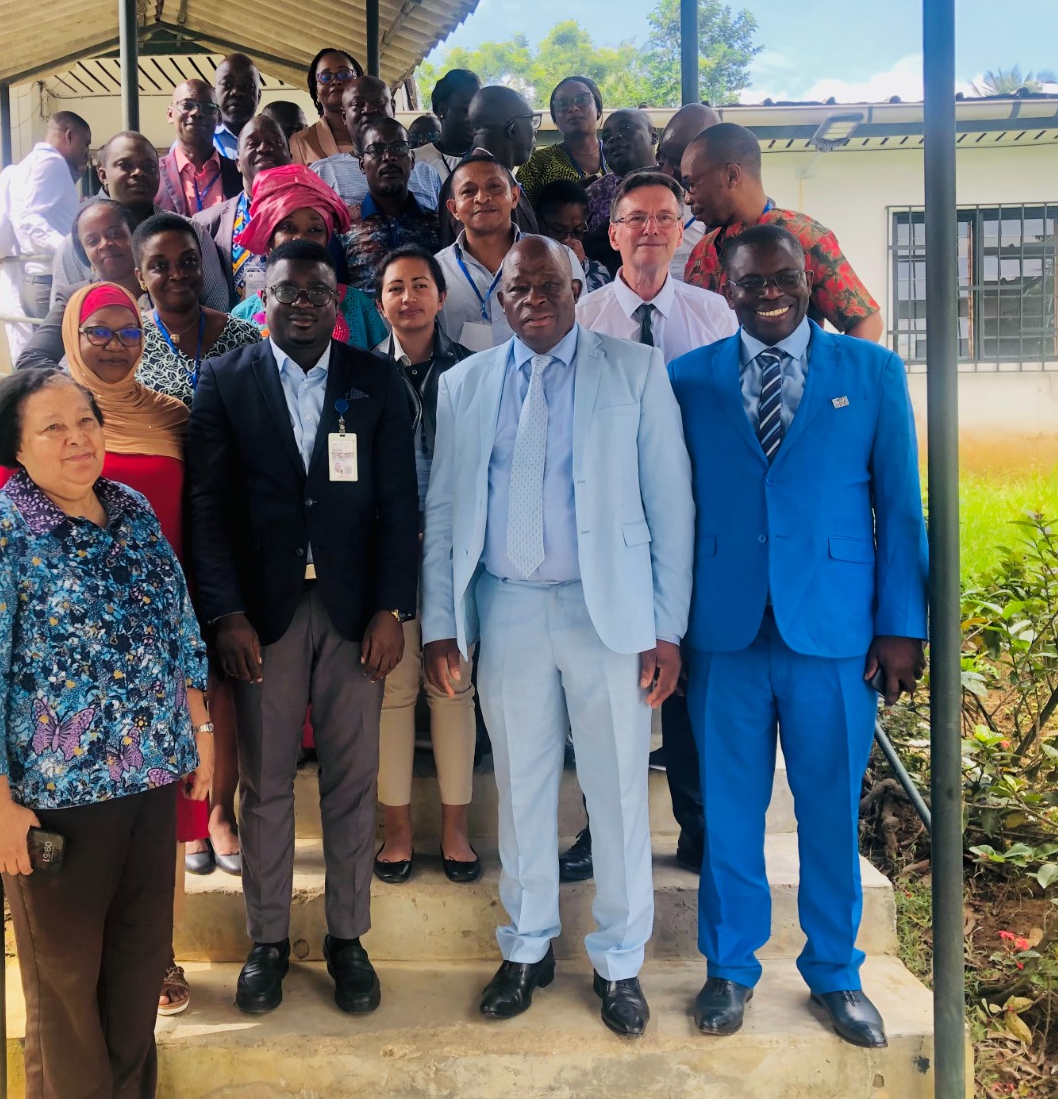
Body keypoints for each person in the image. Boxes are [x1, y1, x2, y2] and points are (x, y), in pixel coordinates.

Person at [420, 237, 694, 1036]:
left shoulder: (634, 371)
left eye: (548, 285)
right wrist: (443, 623)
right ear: (499, 300)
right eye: (517, 288)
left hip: (607, 615)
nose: (533, 298)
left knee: (614, 789)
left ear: (579, 287)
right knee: (522, 784)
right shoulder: (466, 385)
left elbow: (672, 506)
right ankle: (528, 943)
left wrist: (665, 630)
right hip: (505, 608)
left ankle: (619, 961)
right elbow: (443, 512)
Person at [666, 223, 928, 1047]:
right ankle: (730, 968)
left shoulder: (873, 372)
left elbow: (901, 507)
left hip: (837, 630)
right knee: (730, 811)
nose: (767, 292)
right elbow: (671, 506)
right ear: (728, 290)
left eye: (782, 278)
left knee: (826, 809)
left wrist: (902, 628)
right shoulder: (687, 379)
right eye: (750, 283)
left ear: (809, 280)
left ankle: (835, 972)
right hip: (726, 630)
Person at [0, 367, 212, 1099]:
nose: (76, 439)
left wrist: (201, 729)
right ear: (16, 448)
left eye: (85, 421)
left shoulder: (130, 510)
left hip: (150, 782)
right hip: (54, 807)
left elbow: (179, 625)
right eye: (53, 428)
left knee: (134, 977)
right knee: (65, 997)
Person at [187, 237, 419, 1016]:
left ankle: (349, 939)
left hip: (355, 616)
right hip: (265, 617)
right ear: (262, 293)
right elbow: (208, 509)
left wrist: (392, 608)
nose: (302, 304)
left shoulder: (376, 381)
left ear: (340, 301)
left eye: (318, 292)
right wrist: (226, 614)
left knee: (355, 782)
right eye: (286, 291)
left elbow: (399, 505)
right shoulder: (224, 378)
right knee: (266, 785)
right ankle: (268, 943)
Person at [562, 169, 736, 883]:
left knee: (689, 683)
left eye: (665, 217)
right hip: (610, 526)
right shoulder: (582, 318)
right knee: (611, 689)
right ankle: (603, 831)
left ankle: (696, 827)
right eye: (636, 218)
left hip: (694, 517)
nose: (650, 230)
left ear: (681, 229)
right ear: (613, 233)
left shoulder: (713, 316)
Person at [54, 281, 207, 1017]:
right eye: (98, 331)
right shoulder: (50, 418)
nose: (114, 344)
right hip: (75, 649)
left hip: (161, 640)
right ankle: (93, 960)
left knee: (164, 814)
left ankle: (160, 954)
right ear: (72, 333)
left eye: (126, 331)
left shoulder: (176, 418)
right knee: (92, 809)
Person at [369, 247, 477, 886]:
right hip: (385, 548)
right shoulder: (359, 374)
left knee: (453, 683)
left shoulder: (473, 371)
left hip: (457, 548)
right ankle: (399, 829)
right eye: (394, 288)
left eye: (419, 286)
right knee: (394, 687)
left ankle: (457, 830)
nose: (407, 298)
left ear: (440, 296)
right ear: (379, 302)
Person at [681, 122, 883, 341]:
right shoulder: (701, 253)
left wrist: (826, 374)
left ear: (731, 175)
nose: (687, 198)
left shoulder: (804, 237)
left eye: (692, 184)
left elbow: (866, 323)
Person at [228, 164, 386, 351]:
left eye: (314, 230)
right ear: (270, 240)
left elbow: (382, 369)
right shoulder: (242, 315)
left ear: (327, 240)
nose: (301, 237)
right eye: (288, 228)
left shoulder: (358, 306)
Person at [435, 153, 583, 352]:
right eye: (468, 191)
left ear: (514, 196)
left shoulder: (560, 257)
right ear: (454, 209)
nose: (482, 197)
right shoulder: (437, 271)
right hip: (469, 380)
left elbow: (581, 323)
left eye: (494, 187)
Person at [0, 111, 92, 361]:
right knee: (66, 357)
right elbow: (28, 219)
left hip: (37, 278)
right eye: (85, 143)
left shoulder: (25, 167)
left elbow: (16, 219)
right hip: (47, 277)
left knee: (49, 356)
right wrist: (73, 250)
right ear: (69, 136)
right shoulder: (51, 163)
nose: (86, 153)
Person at [130, 212, 261, 404]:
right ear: (141, 277)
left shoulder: (243, 335)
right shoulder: (131, 340)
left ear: (201, 263)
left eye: (188, 261)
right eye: (160, 265)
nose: (177, 274)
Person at [18, 198, 143, 370]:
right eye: (92, 241)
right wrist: (79, 391)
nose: (105, 244)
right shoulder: (76, 299)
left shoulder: (159, 288)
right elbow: (32, 359)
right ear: (84, 253)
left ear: (134, 238)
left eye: (115, 234)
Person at [194, 113, 291, 310]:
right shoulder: (207, 224)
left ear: (291, 157)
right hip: (234, 336)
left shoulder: (313, 219)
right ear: (237, 162)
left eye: (275, 141)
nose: (264, 148)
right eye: (253, 144)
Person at [341, 117, 443, 303]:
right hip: (365, 331)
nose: (388, 157)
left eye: (399, 147)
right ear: (362, 165)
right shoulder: (344, 227)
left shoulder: (437, 225)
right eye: (376, 150)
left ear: (412, 160)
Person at [309, 75, 443, 210]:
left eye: (378, 102)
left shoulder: (426, 174)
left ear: (393, 108)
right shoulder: (321, 174)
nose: (369, 110)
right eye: (358, 104)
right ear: (344, 116)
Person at [436, 84, 542, 245]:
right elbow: (482, 262)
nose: (534, 131)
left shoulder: (499, 177)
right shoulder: (470, 186)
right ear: (513, 129)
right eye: (531, 121)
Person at [156, 79, 242, 217]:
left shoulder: (240, 175)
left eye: (208, 107)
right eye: (187, 105)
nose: (196, 112)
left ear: (219, 117)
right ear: (170, 114)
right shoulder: (154, 174)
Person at [583, 108, 656, 268]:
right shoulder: (593, 194)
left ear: (653, 135)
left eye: (626, 128)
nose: (614, 138)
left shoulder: (678, 186)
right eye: (606, 136)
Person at [654, 103, 719, 279]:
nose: (665, 172)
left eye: (676, 162)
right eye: (661, 157)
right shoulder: (641, 190)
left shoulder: (737, 214)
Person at [516, 76, 607, 193]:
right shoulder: (535, 165)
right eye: (562, 104)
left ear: (598, 109)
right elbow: (518, 210)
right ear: (555, 119)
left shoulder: (618, 155)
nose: (573, 108)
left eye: (582, 99)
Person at [536, 178, 613, 292]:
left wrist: (577, 268)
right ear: (537, 222)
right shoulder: (524, 267)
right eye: (558, 230)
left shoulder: (596, 272)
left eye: (577, 231)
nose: (569, 240)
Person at [289, 47, 364, 165]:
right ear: (316, 89)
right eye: (325, 77)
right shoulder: (301, 142)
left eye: (344, 74)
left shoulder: (379, 133)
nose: (336, 81)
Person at [414, 68, 480, 182]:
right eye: (467, 110)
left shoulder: (491, 161)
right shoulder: (415, 161)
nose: (476, 119)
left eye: (479, 111)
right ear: (442, 110)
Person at [95, 130, 161, 227]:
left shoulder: (182, 230)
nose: (139, 172)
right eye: (125, 165)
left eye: (148, 166)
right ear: (103, 176)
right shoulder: (80, 232)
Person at [213, 53, 262, 160]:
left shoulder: (273, 144)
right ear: (214, 94)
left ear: (258, 96)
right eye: (227, 84)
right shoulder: (199, 144)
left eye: (247, 86)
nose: (237, 92)